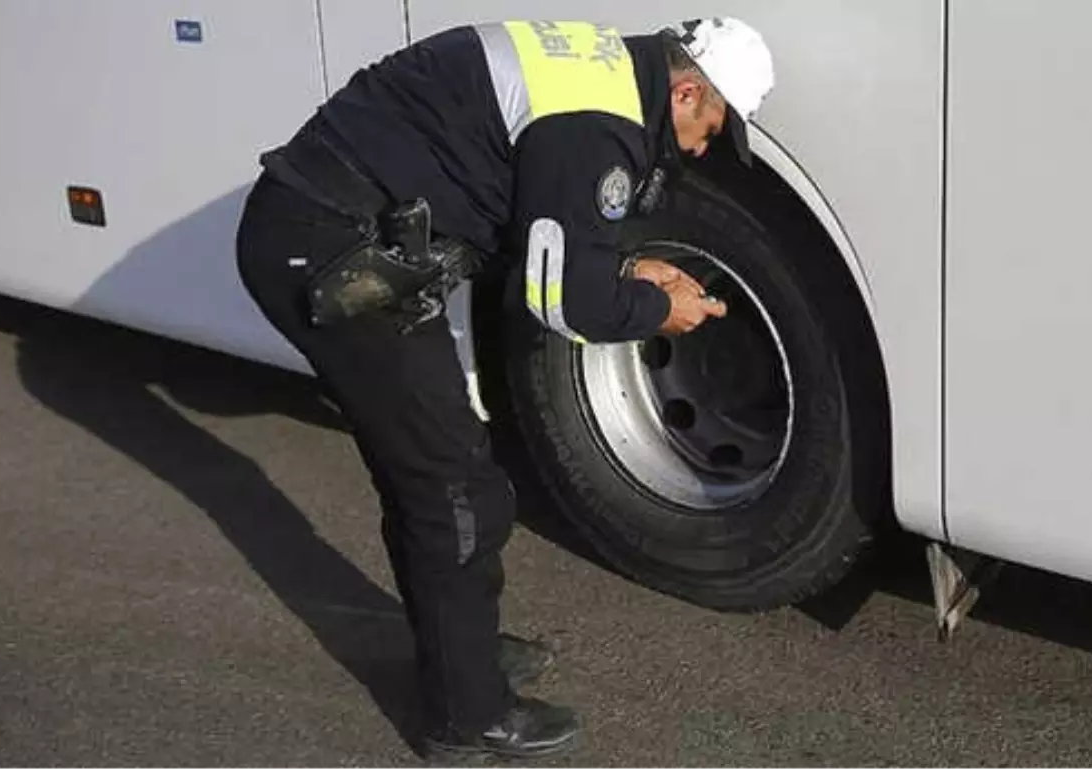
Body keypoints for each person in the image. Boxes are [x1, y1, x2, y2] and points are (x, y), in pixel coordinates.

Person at [234, 15, 774, 762]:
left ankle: (464, 656)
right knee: (453, 485)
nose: (702, 149)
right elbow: (561, 301)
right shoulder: (599, 122)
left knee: (434, 473)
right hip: (329, 253)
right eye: (711, 129)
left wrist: (626, 271)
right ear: (685, 91)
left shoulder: (600, 71)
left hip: (338, 236)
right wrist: (660, 308)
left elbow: (541, 219)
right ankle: (467, 715)